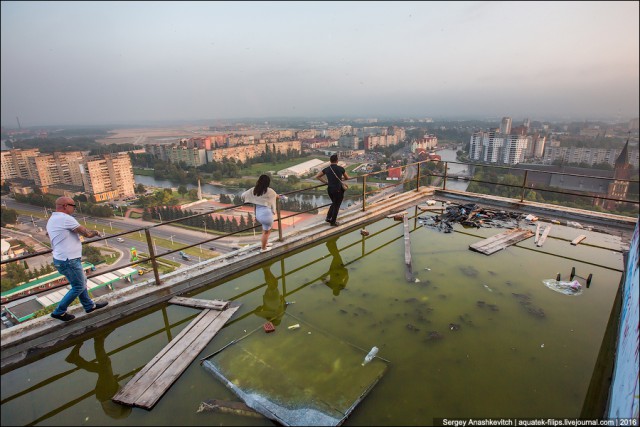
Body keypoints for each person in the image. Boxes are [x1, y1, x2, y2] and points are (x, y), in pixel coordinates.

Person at [47, 196, 108, 321]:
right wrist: (96, 232)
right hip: (69, 260)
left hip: (62, 259)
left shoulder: (53, 219)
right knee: (79, 286)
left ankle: (89, 306)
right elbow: (87, 233)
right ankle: (59, 311)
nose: (74, 209)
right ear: (65, 206)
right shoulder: (65, 219)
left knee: (80, 283)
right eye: (73, 206)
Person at [65, 328, 132, 419]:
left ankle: (98, 340)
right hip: (104, 396)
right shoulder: (121, 414)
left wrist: (112, 382)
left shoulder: (124, 413)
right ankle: (75, 358)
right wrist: (113, 381)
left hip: (109, 394)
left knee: (105, 364)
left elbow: (121, 400)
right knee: (102, 369)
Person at [241, 174, 281, 253]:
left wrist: (254, 200)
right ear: (268, 183)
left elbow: (243, 195)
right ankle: (263, 248)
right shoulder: (270, 191)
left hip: (258, 214)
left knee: (266, 230)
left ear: (259, 181)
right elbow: (275, 196)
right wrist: (277, 197)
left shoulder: (254, 190)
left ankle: (265, 243)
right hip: (266, 215)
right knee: (266, 232)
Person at [315, 154, 350, 226]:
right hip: (338, 190)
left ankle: (328, 218)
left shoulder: (327, 169)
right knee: (336, 206)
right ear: (337, 161)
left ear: (330, 161)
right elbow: (347, 178)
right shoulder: (341, 168)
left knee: (334, 203)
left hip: (330, 189)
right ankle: (333, 222)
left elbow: (318, 176)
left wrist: (326, 182)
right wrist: (341, 178)